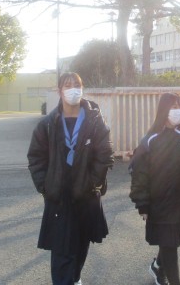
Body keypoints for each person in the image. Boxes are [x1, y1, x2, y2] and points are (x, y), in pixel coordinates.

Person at [27, 72, 114, 285]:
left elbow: (105, 153)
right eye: (68, 85)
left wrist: (93, 182)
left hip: (86, 194)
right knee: (61, 251)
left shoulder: (94, 120)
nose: (73, 89)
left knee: (81, 244)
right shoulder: (48, 124)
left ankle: (75, 277)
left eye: (77, 85)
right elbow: (36, 157)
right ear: (60, 91)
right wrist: (45, 186)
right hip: (59, 197)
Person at [129, 93, 180, 285]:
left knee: (171, 241)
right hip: (158, 205)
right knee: (169, 245)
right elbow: (140, 174)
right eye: (173, 107)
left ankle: (158, 266)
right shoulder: (150, 140)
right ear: (163, 110)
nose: (178, 111)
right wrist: (142, 204)